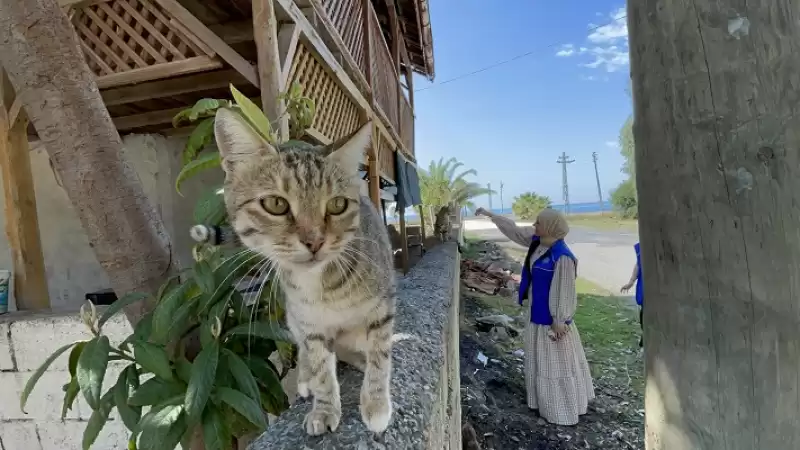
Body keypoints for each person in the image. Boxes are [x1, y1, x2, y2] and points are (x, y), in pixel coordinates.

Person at [475, 207, 594, 426]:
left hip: (552, 324)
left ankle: (561, 411)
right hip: (536, 315)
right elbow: (514, 231)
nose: (534, 226)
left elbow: (565, 291)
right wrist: (491, 215)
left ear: (550, 227)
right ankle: (543, 404)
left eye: (538, 223)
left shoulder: (563, 257)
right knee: (541, 362)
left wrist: (560, 320)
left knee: (556, 364)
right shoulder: (538, 243)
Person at [620, 242, 644, 347]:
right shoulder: (645, 243)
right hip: (646, 289)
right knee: (644, 313)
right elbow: (639, 263)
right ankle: (645, 334)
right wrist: (631, 282)